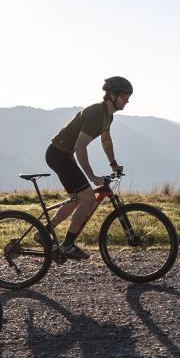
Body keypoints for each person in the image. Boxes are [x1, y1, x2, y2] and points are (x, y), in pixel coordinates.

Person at [42, 76, 131, 259]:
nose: (127, 100)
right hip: (59, 154)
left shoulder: (108, 116)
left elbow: (106, 140)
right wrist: (92, 176)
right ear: (113, 95)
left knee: (76, 200)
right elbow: (80, 146)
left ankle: (43, 233)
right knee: (88, 198)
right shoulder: (98, 112)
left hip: (62, 155)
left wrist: (113, 163)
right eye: (124, 96)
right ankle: (67, 245)